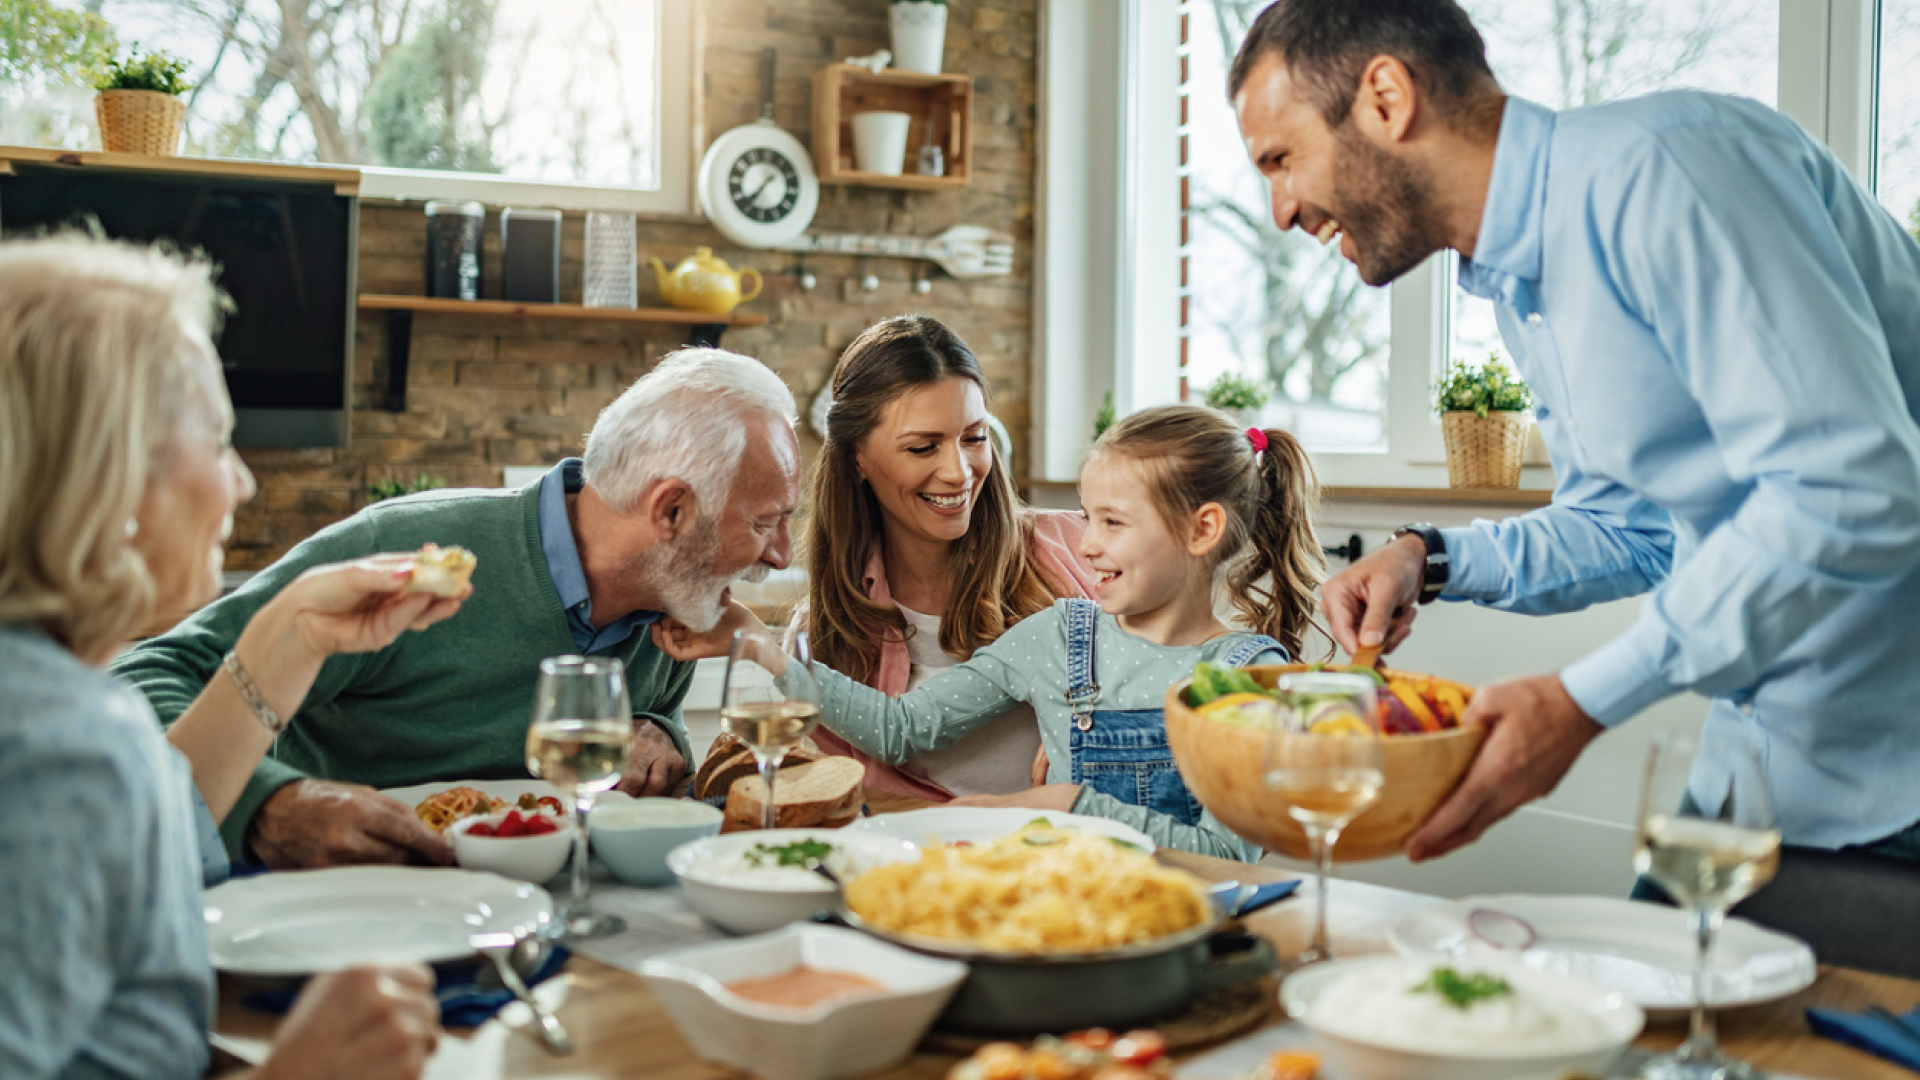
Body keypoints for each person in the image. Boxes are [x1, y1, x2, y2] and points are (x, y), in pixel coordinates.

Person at [1229, 0, 1920, 861]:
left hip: (1897, 786)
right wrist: (1425, 557)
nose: (1281, 210)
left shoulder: (1671, 171)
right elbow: (1634, 530)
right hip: (1760, 776)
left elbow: (1852, 490)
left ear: (1385, 98)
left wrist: (1581, 701)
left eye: (1281, 160)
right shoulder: (1525, 282)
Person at [0, 233, 447, 1078]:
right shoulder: (58, 745)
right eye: (216, 442)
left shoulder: (47, 696)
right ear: (112, 479)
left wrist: (296, 632)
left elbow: (150, 832)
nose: (240, 482)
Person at [114, 347, 801, 870]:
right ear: (672, 510)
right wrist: (266, 803)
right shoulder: (406, 549)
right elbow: (144, 680)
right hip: (335, 908)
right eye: (767, 522)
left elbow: (651, 743)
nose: (780, 555)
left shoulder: (677, 602)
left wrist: (660, 737)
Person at [660, 405, 1326, 860]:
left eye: (1113, 524)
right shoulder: (1063, 636)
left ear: (1202, 529)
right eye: (1087, 519)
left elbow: (1228, 855)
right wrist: (762, 646)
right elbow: (901, 729)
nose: (1087, 546)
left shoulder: (1244, 675)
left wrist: (1070, 804)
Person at [792, 315, 1097, 800]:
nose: (958, 472)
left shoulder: (1081, 549)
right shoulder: (824, 635)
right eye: (922, 447)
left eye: (974, 438)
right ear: (856, 459)